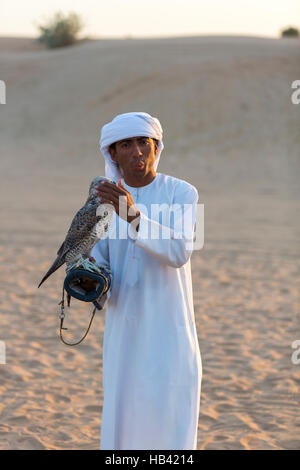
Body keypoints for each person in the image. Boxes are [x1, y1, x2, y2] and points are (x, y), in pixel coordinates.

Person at [90, 111, 202, 450]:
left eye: (144, 142)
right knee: (124, 423)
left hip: (171, 332)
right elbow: (98, 264)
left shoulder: (183, 193)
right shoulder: (103, 200)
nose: (138, 151)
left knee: (170, 421)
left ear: (157, 147)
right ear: (113, 153)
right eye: (127, 144)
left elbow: (181, 252)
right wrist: (87, 281)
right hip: (125, 332)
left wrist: (133, 215)